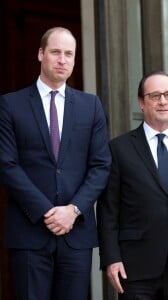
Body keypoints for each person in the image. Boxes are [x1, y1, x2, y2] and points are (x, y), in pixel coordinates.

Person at [0, 27, 111, 300]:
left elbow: (100, 165)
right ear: (40, 54)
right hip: (29, 231)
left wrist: (72, 210)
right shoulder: (10, 105)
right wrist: (47, 211)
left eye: (69, 54)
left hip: (76, 232)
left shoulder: (91, 106)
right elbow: (7, 164)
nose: (62, 60)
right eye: (56, 52)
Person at [97, 70, 168, 300]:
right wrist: (111, 258)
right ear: (141, 102)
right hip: (134, 266)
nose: (163, 101)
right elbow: (108, 210)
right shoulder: (118, 148)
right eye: (155, 95)